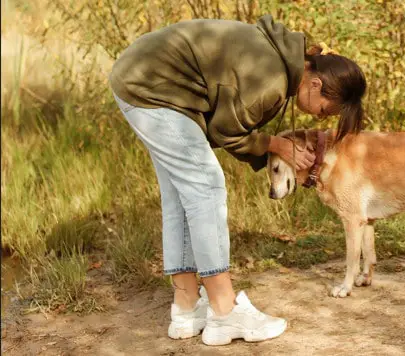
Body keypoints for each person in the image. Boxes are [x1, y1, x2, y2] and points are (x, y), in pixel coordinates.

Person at [109, 14, 366, 346]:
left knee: (181, 195)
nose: (320, 116)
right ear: (315, 84)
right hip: (151, 90)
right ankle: (224, 311)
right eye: (326, 110)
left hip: (143, 79)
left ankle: (186, 307)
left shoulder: (279, 60)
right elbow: (226, 131)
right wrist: (277, 145)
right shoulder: (271, 79)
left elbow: (223, 123)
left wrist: (275, 144)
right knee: (206, 186)